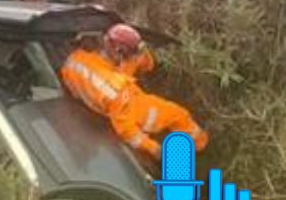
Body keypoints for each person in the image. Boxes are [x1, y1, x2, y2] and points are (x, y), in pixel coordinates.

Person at [60, 24, 207, 160]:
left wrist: (139, 53)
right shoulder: (116, 92)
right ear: (119, 52)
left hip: (105, 94)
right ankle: (200, 147)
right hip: (130, 107)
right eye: (130, 55)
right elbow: (128, 132)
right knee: (178, 114)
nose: (133, 58)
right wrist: (155, 149)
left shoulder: (76, 60)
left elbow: (143, 65)